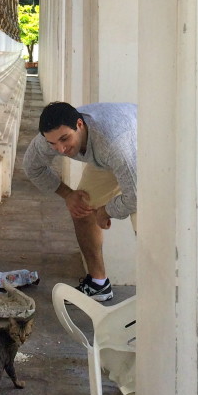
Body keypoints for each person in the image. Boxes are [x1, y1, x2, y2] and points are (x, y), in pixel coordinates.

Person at [22, 101, 137, 302]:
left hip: (148, 151)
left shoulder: (114, 143)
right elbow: (32, 167)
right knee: (82, 206)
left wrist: (106, 211)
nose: (61, 149)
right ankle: (98, 284)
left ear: (80, 125)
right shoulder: (51, 139)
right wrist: (68, 195)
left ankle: (160, 305)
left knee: (148, 229)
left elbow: (136, 197)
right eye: (53, 143)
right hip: (109, 159)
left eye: (65, 139)